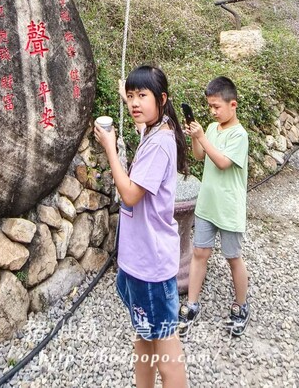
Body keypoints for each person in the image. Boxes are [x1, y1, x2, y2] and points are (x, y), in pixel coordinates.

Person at [94, 65, 189, 388]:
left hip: (151, 267)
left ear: (162, 99)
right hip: (141, 262)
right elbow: (139, 116)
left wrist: (110, 147)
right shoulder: (154, 128)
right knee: (143, 339)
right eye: (131, 96)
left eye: (142, 96)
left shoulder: (160, 142)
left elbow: (131, 194)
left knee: (166, 353)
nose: (135, 103)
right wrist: (128, 95)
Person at [178, 75, 250, 337]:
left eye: (216, 107)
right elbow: (200, 156)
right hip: (207, 205)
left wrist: (202, 137)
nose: (213, 112)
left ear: (233, 105)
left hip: (228, 208)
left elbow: (222, 162)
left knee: (233, 257)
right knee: (199, 253)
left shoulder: (239, 135)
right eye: (210, 107)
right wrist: (195, 137)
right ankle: (192, 303)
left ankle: (241, 305)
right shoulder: (211, 128)